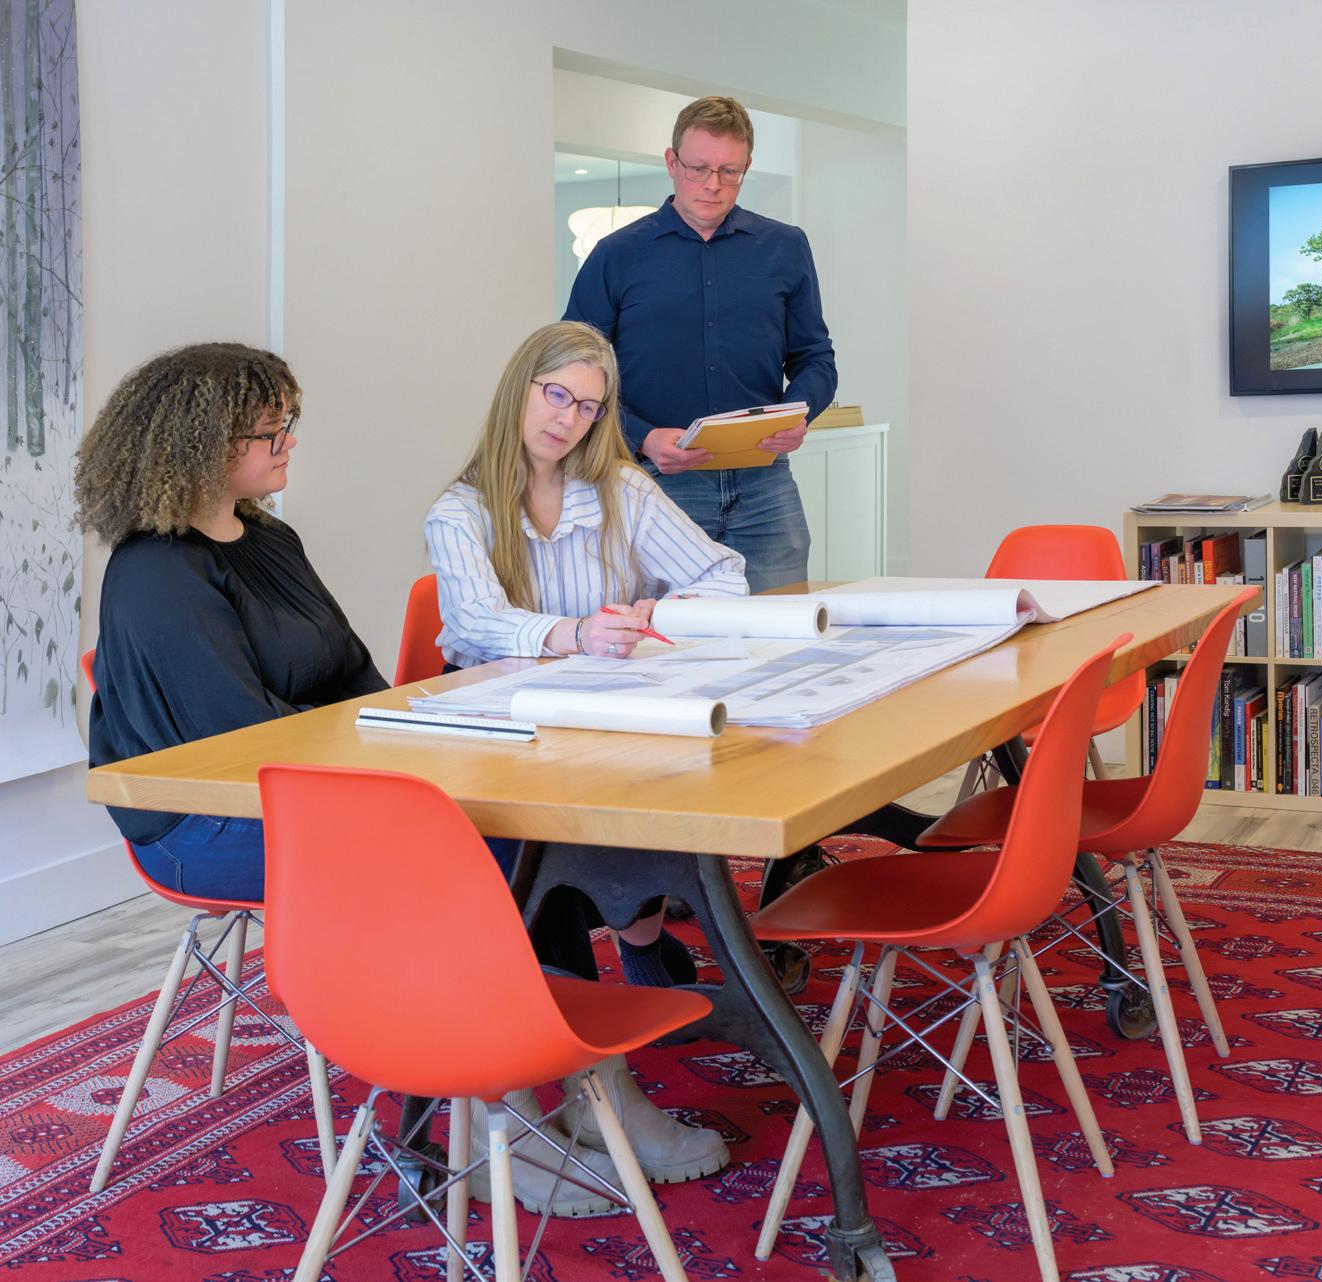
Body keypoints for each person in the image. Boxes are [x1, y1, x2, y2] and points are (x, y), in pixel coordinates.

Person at [423, 319, 738, 1211]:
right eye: (555, 394)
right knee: (539, 856)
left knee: (609, 840)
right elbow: (475, 623)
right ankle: (571, 1091)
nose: (567, 418)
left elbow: (723, 575)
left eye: (589, 406)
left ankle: (591, 1085)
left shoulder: (622, 491)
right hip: (497, 744)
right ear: (520, 389)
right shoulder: (460, 512)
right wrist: (573, 633)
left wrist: (652, 615)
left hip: (599, 731)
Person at [76, 343, 387, 900]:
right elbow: (238, 735)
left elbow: (351, 667)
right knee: (470, 839)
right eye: (270, 432)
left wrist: (403, 733)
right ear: (202, 448)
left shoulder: (273, 539)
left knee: (498, 824)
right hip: (201, 820)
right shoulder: (158, 570)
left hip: (303, 777)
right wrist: (361, 741)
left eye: (286, 426)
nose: (289, 442)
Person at [564, 94, 837, 593]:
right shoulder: (615, 255)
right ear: (672, 163)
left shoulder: (785, 247)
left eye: (730, 171)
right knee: (664, 636)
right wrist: (642, 437)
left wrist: (799, 413)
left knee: (781, 628)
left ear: (746, 167)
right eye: (699, 168)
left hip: (766, 486)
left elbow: (815, 357)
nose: (713, 184)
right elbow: (573, 376)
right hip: (655, 484)